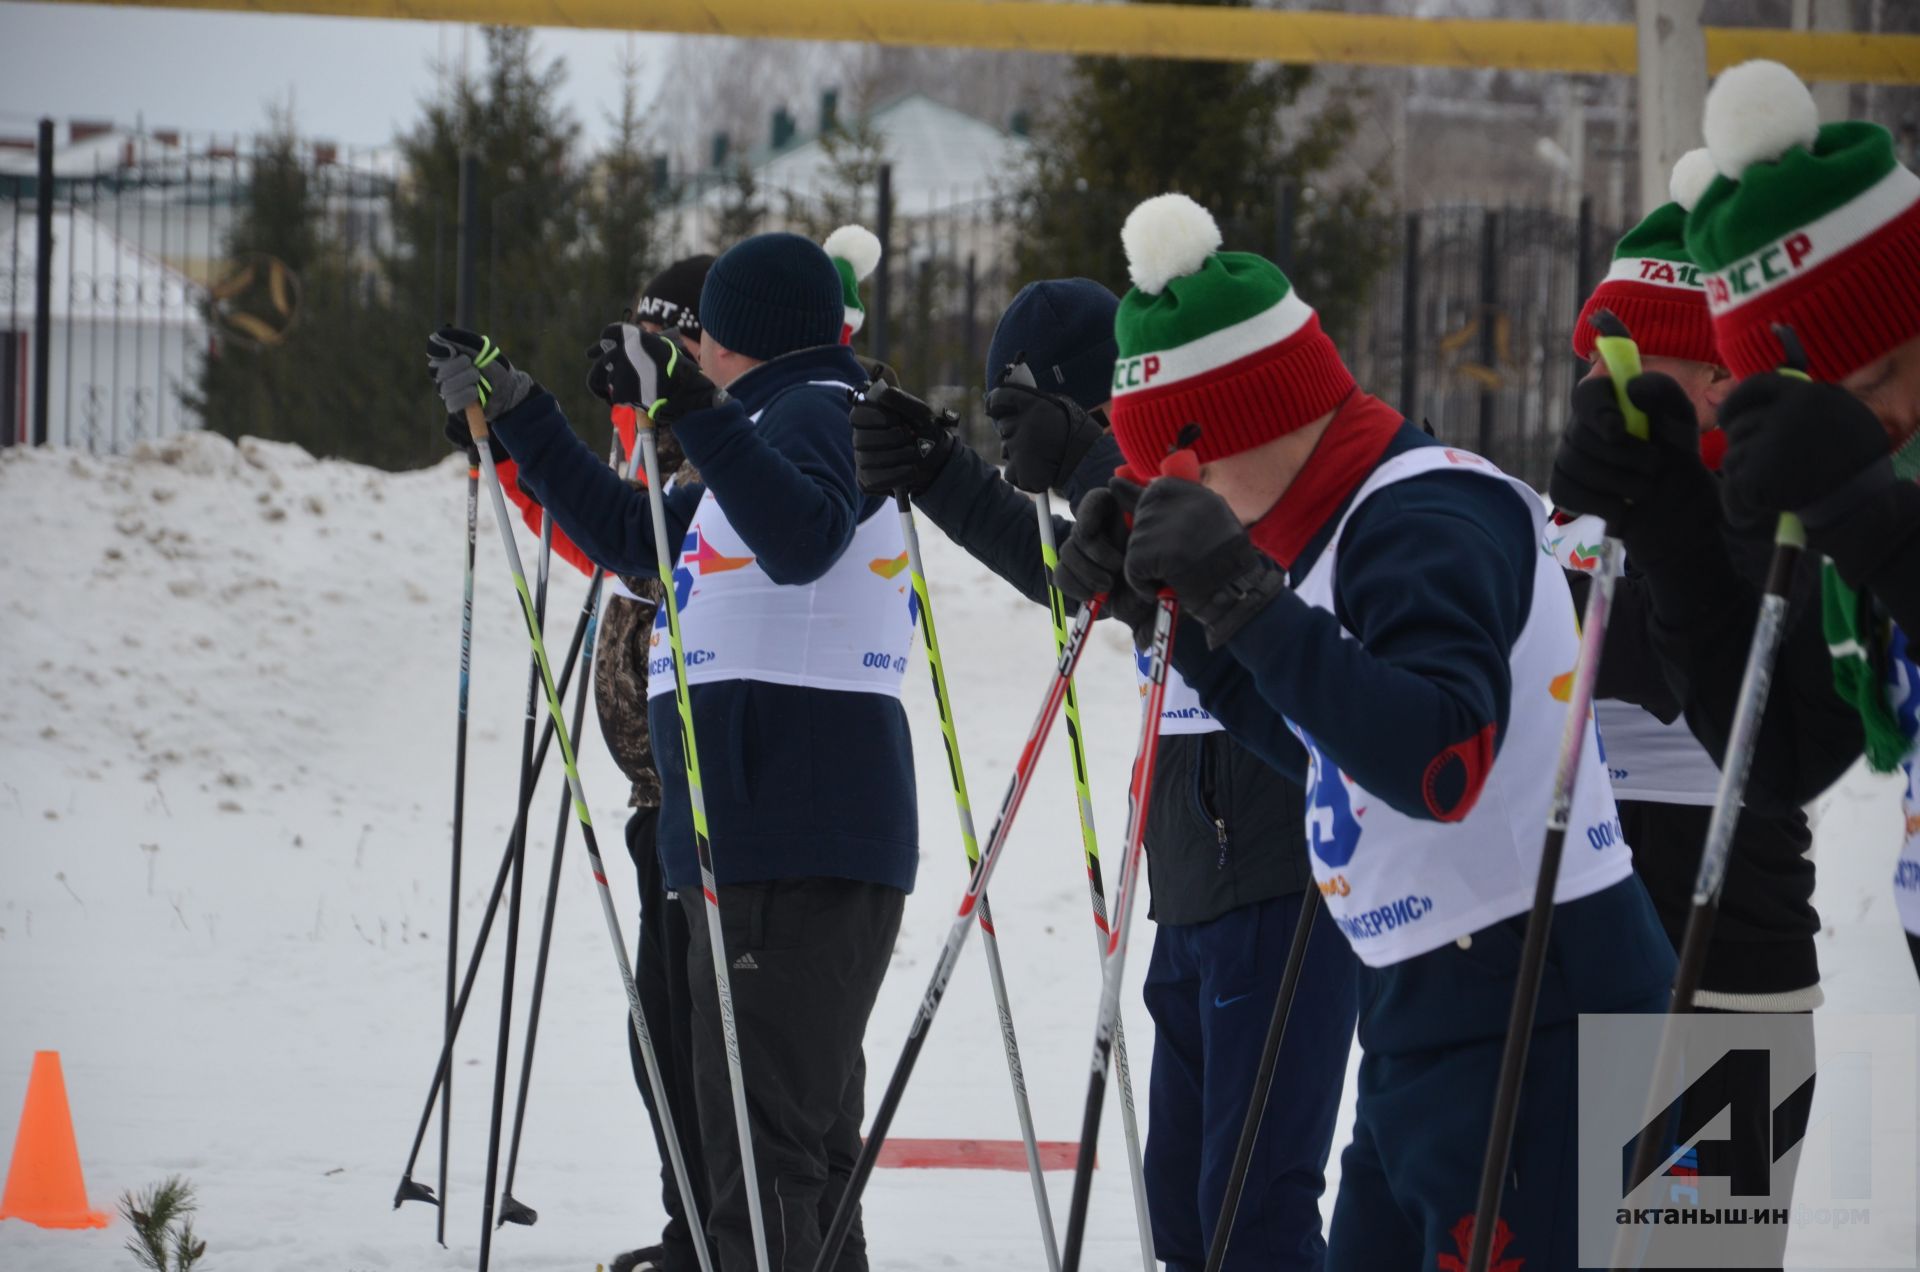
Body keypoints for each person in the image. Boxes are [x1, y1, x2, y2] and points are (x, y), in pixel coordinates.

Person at [1055, 192, 1675, 1268]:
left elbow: (1438, 760)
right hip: (1432, 1011)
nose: (1180, 503)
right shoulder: (1341, 528)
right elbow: (1321, 742)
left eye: (1175, 476)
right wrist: (1175, 610)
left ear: (1233, 434)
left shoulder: (1423, 515)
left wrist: (1242, 593)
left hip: (1543, 1014)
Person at [426, 229, 917, 1272]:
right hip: (750, 835)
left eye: (703, 341)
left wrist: (694, 417)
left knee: (767, 1155)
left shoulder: (819, 413)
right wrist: (522, 410)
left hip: (790, 832)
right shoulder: (767, 426)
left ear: (744, 337)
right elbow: (629, 532)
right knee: (782, 1153)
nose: (690, 356)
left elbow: (802, 539)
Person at [848, 277, 1356, 1270]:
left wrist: (1094, 460)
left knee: (1261, 1206)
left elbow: (1267, 593)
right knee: (1188, 1206)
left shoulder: (1358, 495)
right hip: (1196, 863)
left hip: (1299, 874)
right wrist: (946, 475)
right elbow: (1083, 576)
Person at [1563, 60, 1920, 975]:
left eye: (1877, 380)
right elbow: (1775, 764)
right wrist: (1669, 523)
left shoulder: (1872, 492)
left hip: (1732, 964)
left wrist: (1878, 523)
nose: (1874, 429)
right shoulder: (1838, 491)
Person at [1552, 156, 1824, 1016]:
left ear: (1721, 380)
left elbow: (1659, 657)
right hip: (1582, 925)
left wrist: (1527, 602)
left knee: (1703, 1161)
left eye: (1622, 361)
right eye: (1590, 360)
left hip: (1722, 941)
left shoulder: (1771, 506)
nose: (1593, 386)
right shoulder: (1584, 505)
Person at [593, 255, 715, 1272]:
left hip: (711, 803)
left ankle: (719, 1236)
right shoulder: (645, 443)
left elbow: (641, 552)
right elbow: (592, 538)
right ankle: (691, 1230)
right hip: (653, 797)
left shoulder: (711, 450)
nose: (644, 359)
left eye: (662, 340)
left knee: (700, 1041)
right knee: (660, 1041)